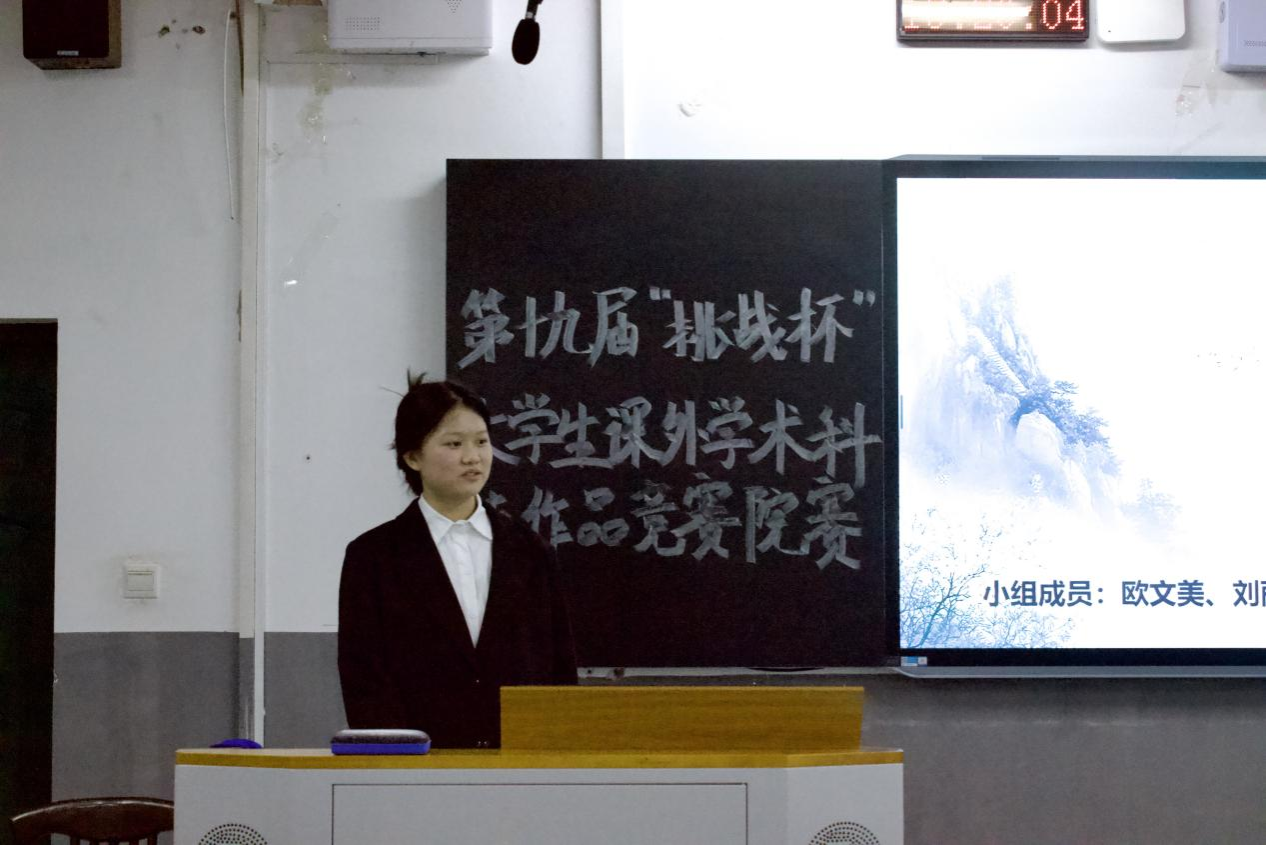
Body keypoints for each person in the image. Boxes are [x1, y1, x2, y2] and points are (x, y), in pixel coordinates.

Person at [337, 375, 577, 748]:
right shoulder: (373, 556)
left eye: (481, 442)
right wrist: (396, 760)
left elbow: (559, 667)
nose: (472, 457)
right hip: (420, 760)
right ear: (413, 457)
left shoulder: (530, 550)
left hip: (520, 758)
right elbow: (364, 675)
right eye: (454, 444)